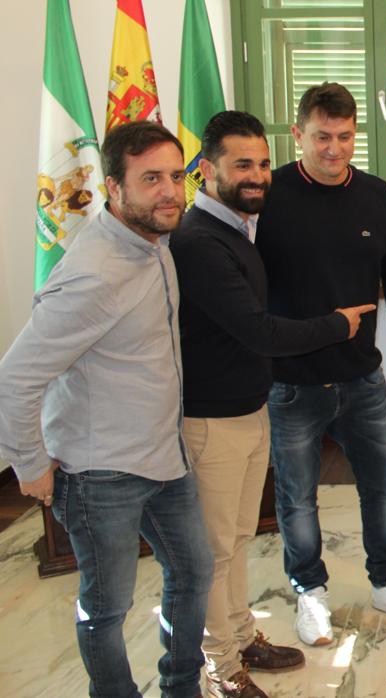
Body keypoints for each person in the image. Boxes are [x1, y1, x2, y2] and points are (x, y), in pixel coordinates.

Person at [0, 121, 213, 698]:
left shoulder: (155, 245)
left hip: (164, 460)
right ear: (114, 188)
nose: (170, 191)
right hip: (101, 475)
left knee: (193, 573)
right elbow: (15, 376)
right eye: (151, 180)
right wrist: (30, 464)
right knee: (107, 606)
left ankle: (182, 686)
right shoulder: (95, 274)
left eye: (176, 175)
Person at [171, 111, 378, 697]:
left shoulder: (237, 229)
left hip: (244, 408)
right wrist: (337, 324)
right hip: (209, 420)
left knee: (238, 537)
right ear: (205, 169)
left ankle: (241, 637)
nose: (259, 175)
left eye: (263, 162)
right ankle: (222, 666)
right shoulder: (198, 242)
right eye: (242, 164)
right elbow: (259, 332)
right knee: (214, 550)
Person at [255, 82, 386, 646]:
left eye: (345, 136)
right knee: (296, 499)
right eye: (321, 137)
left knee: (383, 491)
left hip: (362, 377)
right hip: (291, 383)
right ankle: (310, 593)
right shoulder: (268, 195)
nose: (334, 149)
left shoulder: (377, 195)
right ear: (298, 134)